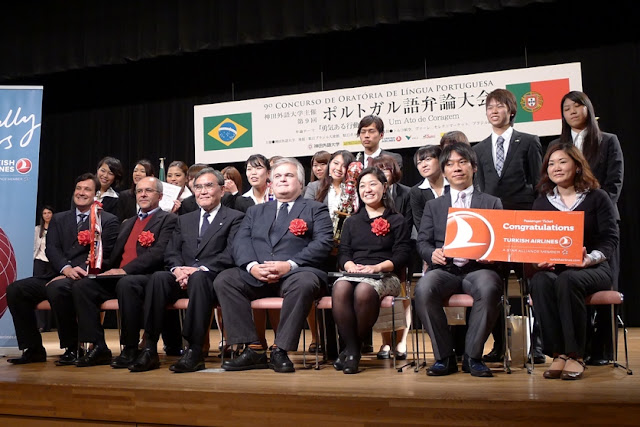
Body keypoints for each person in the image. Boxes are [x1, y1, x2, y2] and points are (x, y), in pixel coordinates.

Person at [215, 157, 334, 373]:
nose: (282, 180)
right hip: (258, 274)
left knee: (306, 282)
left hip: (295, 273)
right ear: (271, 183)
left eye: (289, 175)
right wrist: (252, 266)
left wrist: (290, 264)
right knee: (225, 280)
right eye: (278, 176)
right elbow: (240, 242)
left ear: (300, 183)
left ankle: (281, 349)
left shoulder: (315, 209)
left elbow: (323, 242)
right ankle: (253, 349)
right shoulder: (255, 211)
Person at [125, 169, 244, 372]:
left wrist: (198, 269)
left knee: (199, 278)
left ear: (222, 190)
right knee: (158, 278)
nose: (203, 191)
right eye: (198, 187)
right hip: (181, 276)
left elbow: (232, 253)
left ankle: (194, 350)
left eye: (209, 186)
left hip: (212, 277)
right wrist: (177, 269)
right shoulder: (184, 219)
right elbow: (172, 251)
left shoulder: (235, 218)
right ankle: (150, 348)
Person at [7, 173, 119, 365]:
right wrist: (65, 269)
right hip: (58, 273)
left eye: (87, 189)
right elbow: (51, 248)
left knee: (57, 289)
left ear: (95, 195)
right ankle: (33, 348)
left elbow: (106, 253)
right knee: (16, 290)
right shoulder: (59, 219)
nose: (81, 193)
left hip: (87, 277)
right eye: (78, 188)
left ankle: (72, 347)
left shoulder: (107, 220)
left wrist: (80, 269)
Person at [529, 142, 618, 380]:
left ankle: (576, 355)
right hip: (557, 269)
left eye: (562, 162)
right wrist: (539, 260)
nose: (556, 168)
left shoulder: (597, 197)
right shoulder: (542, 202)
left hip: (594, 268)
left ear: (577, 166)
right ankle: (558, 353)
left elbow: (610, 239)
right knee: (540, 281)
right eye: (551, 164)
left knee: (568, 280)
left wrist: (589, 259)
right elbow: (536, 243)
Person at [415, 142, 503, 377]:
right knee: (424, 288)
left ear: (474, 167)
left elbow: (501, 243)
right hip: (445, 270)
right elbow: (422, 242)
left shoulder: (492, 203)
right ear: (443, 171)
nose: (457, 168)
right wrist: (431, 253)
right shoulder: (434, 205)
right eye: (450, 164)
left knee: (489, 287)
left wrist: (492, 255)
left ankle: (473, 357)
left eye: (463, 162)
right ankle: (444, 357)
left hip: (478, 269)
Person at [549, 90, 624, 366]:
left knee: (604, 283)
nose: (572, 112)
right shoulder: (557, 145)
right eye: (566, 108)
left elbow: (614, 184)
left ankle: (603, 350)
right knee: (565, 282)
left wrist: (594, 209)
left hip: (599, 223)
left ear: (588, 109)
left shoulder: (608, 140)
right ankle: (570, 349)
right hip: (564, 227)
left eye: (577, 106)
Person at [71, 176, 178, 368]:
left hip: (148, 278)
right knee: (83, 286)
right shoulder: (128, 222)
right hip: (119, 276)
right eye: (139, 191)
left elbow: (159, 253)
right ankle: (99, 346)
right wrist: (98, 263)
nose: (143, 194)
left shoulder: (169, 219)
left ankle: (130, 348)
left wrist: (124, 270)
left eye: (148, 191)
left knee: (127, 283)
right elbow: (115, 257)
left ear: (160, 196)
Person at [473, 88, 543, 364]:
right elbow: (480, 192)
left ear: (511, 111)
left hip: (525, 224)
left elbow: (539, 185)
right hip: (494, 227)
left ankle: (537, 346)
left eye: (499, 106)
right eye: (489, 106)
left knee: (532, 287)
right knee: (495, 287)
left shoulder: (529, 141)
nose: (494, 111)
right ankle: (499, 346)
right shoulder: (478, 149)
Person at [331, 167, 411, 374]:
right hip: (354, 273)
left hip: (386, 275)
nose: (367, 190)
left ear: (384, 188)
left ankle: (351, 350)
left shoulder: (397, 220)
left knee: (364, 291)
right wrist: (349, 265)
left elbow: (402, 255)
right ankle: (353, 349)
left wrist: (377, 267)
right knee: (339, 288)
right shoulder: (352, 221)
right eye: (362, 186)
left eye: (372, 184)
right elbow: (344, 253)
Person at [370, 155, 413, 360]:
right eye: (378, 169)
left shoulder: (407, 193)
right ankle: (386, 342)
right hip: (377, 256)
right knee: (383, 300)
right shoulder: (368, 195)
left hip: (401, 253)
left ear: (394, 171)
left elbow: (410, 224)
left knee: (403, 299)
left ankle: (402, 342)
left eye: (386, 168)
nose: (382, 172)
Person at [410, 145, 449, 233]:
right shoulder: (416, 192)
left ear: (440, 160)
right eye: (419, 162)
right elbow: (421, 224)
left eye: (428, 159)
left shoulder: (455, 185)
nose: (423, 165)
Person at [33, 205, 55, 332]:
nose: (47, 215)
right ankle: (40, 324)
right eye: (44, 213)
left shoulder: (57, 228)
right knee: (38, 291)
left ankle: (48, 324)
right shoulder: (37, 229)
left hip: (52, 262)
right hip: (39, 261)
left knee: (50, 291)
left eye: (49, 212)